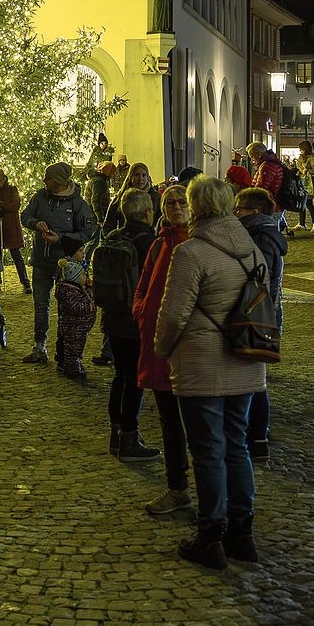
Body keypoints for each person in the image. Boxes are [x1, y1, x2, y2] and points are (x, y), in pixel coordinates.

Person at [155, 174, 268, 570]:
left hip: (201, 366)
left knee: (206, 451)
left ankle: (211, 536)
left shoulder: (192, 252)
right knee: (236, 445)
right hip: (245, 362)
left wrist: (161, 350)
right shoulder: (251, 251)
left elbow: (172, 315)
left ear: (197, 206)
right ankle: (243, 534)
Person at [132, 184, 192, 516]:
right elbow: (143, 285)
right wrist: (141, 311)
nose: (175, 206)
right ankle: (177, 486)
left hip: (188, 349)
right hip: (156, 344)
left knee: (197, 423)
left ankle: (212, 496)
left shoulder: (197, 243)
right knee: (169, 421)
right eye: (169, 202)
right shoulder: (158, 244)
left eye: (182, 201)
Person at [94, 189, 159, 461]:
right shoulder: (149, 242)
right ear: (147, 213)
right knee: (135, 379)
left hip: (112, 316)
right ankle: (129, 439)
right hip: (135, 319)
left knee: (120, 376)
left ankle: (116, 433)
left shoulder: (112, 237)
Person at [20, 163, 96, 363]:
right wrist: (35, 223)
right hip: (41, 261)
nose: (44, 180)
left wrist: (61, 239)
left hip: (66, 266)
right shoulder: (40, 196)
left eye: (49, 177)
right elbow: (25, 216)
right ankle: (39, 347)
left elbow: (87, 233)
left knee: (66, 309)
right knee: (40, 304)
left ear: (60, 181)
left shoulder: (78, 204)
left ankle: (64, 352)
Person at [234, 187, 286, 462]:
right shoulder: (262, 232)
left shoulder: (260, 238)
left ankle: (257, 438)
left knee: (255, 381)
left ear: (254, 212)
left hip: (257, 315)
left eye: (239, 209)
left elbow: (260, 282)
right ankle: (256, 437)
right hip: (263, 314)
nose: (235, 213)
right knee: (254, 379)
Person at [0, 168, 30, 294]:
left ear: (2, 176)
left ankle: (25, 281)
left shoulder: (11, 189)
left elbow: (16, 204)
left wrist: (3, 205)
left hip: (10, 226)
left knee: (16, 253)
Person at [53, 236, 95, 381]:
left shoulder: (77, 267)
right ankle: (70, 365)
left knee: (70, 343)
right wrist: (89, 305)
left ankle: (66, 361)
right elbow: (73, 304)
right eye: (80, 250)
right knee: (72, 345)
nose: (83, 253)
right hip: (72, 323)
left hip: (76, 324)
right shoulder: (69, 274)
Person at [102, 161, 161, 233]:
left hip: (148, 240)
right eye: (137, 175)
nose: (140, 179)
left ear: (148, 178)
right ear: (130, 177)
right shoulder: (120, 197)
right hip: (126, 239)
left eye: (143, 175)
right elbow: (108, 224)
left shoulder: (156, 197)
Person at [245, 142, 284, 209]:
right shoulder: (272, 162)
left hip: (269, 205)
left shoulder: (267, 166)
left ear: (259, 154)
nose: (252, 161)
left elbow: (261, 188)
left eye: (252, 157)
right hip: (275, 203)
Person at [296, 140, 314, 232]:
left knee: (309, 203)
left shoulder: (312, 158)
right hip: (301, 182)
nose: (300, 151)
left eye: (301, 149)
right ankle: (302, 223)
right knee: (301, 203)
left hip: (309, 182)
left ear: (306, 149)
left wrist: (307, 171)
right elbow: (299, 168)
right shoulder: (300, 158)